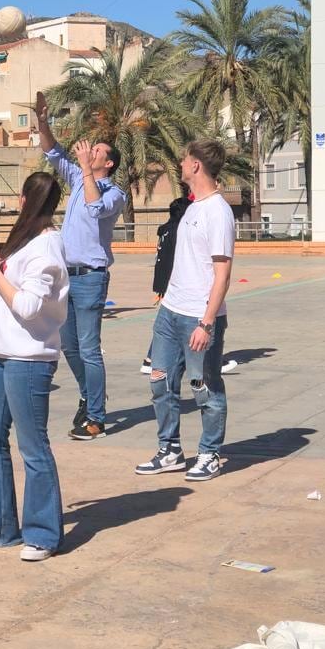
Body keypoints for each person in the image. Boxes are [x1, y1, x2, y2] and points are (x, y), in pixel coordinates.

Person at [0, 172, 69, 561]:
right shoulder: (29, 243)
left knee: (33, 447)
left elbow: (29, 306)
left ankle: (43, 534)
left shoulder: (47, 249)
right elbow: (13, 294)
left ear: (24, 201)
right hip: (1, 356)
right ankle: (0, 527)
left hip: (29, 360)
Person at [136, 140, 235, 482]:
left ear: (196, 166)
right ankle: (170, 450)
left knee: (203, 387)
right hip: (170, 312)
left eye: (184, 159)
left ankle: (209, 453)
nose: (179, 164)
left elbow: (222, 273)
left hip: (199, 317)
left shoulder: (218, 212)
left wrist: (206, 324)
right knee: (160, 383)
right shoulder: (192, 208)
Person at [34, 91, 125, 440]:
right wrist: (43, 121)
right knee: (69, 347)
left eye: (98, 151)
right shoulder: (76, 178)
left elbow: (94, 208)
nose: (90, 151)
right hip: (66, 277)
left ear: (109, 163)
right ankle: (91, 396)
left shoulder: (114, 193)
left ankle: (96, 417)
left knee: (89, 348)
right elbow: (52, 150)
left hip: (90, 278)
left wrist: (85, 170)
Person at [141, 193, 193, 374]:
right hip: (173, 281)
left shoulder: (166, 230)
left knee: (169, 321)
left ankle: (150, 359)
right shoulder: (179, 230)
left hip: (163, 280)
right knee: (170, 322)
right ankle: (151, 359)